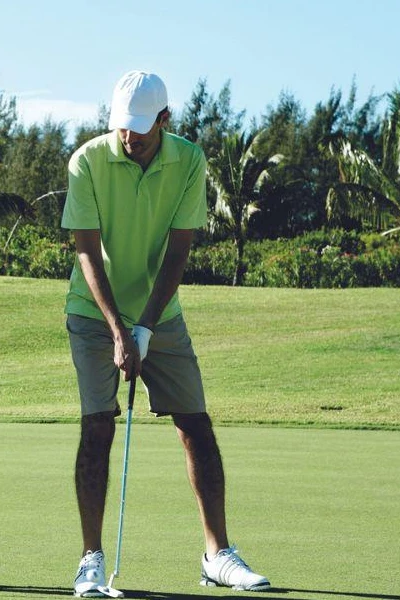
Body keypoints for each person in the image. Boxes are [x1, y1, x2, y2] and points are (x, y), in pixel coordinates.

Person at [61, 70, 271, 595]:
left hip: (161, 310)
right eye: (121, 127)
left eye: (139, 127)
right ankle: (90, 559)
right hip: (94, 312)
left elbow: (179, 250)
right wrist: (118, 330)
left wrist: (147, 327)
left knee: (195, 423)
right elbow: (87, 249)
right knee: (97, 426)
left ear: (164, 118)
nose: (128, 137)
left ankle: (217, 555)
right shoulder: (87, 160)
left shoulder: (189, 160)